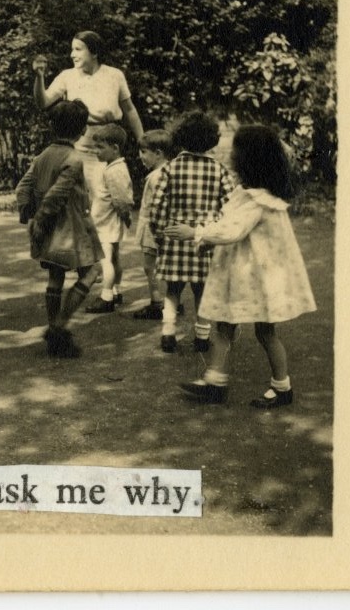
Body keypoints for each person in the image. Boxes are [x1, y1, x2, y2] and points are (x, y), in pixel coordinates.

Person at [167, 125, 316, 407]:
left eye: (236, 151)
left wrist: (196, 232)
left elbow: (232, 230)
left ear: (248, 159)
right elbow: (227, 225)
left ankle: (281, 387)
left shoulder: (258, 201)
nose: (231, 156)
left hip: (256, 279)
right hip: (245, 275)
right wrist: (207, 240)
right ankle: (215, 381)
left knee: (264, 332)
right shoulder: (248, 194)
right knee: (225, 325)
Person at [15, 99, 103, 358]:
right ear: (83, 130)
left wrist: (30, 217)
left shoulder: (42, 156)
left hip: (49, 228)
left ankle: (54, 327)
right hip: (71, 227)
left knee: (56, 276)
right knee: (92, 272)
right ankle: (59, 325)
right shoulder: (73, 159)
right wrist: (41, 219)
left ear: (53, 127)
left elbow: (22, 188)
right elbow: (57, 195)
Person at [147, 111, 234, 354]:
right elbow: (230, 206)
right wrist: (216, 231)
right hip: (203, 239)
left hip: (175, 237)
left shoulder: (170, 168)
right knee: (202, 290)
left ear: (180, 137)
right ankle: (202, 337)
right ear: (211, 139)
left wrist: (159, 234)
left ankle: (168, 333)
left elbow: (157, 207)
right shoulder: (219, 170)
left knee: (173, 290)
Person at [32, 31, 144, 208]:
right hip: (79, 145)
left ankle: (111, 227)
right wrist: (39, 77)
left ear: (94, 52)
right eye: (72, 49)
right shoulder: (67, 76)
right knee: (82, 197)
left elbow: (129, 110)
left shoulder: (114, 75)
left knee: (107, 195)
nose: (72, 55)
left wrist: (142, 140)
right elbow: (43, 102)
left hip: (109, 145)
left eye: (78, 49)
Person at [84, 124, 134, 313]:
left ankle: (106, 297)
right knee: (113, 257)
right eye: (95, 147)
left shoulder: (114, 171)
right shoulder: (112, 167)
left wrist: (126, 216)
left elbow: (122, 200)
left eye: (100, 147)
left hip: (106, 222)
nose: (96, 151)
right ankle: (115, 290)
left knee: (106, 260)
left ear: (115, 148)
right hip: (108, 221)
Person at [130, 129, 173, 320]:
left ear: (158, 153)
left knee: (149, 266)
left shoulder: (156, 176)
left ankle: (157, 302)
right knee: (166, 265)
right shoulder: (170, 171)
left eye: (143, 152)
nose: (140, 156)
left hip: (153, 228)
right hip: (164, 227)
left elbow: (155, 206)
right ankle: (172, 301)